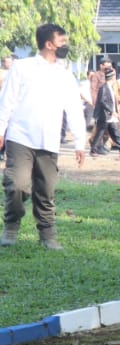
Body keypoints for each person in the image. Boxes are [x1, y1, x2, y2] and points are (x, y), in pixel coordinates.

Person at [0, 25, 88, 249]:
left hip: (49, 141)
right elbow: (6, 101)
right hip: (20, 137)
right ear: (49, 44)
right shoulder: (22, 67)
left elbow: (74, 109)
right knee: (17, 185)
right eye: (62, 41)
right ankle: (11, 226)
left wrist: (80, 142)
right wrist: (1, 130)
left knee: (46, 190)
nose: (65, 46)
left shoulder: (65, 74)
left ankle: (47, 235)